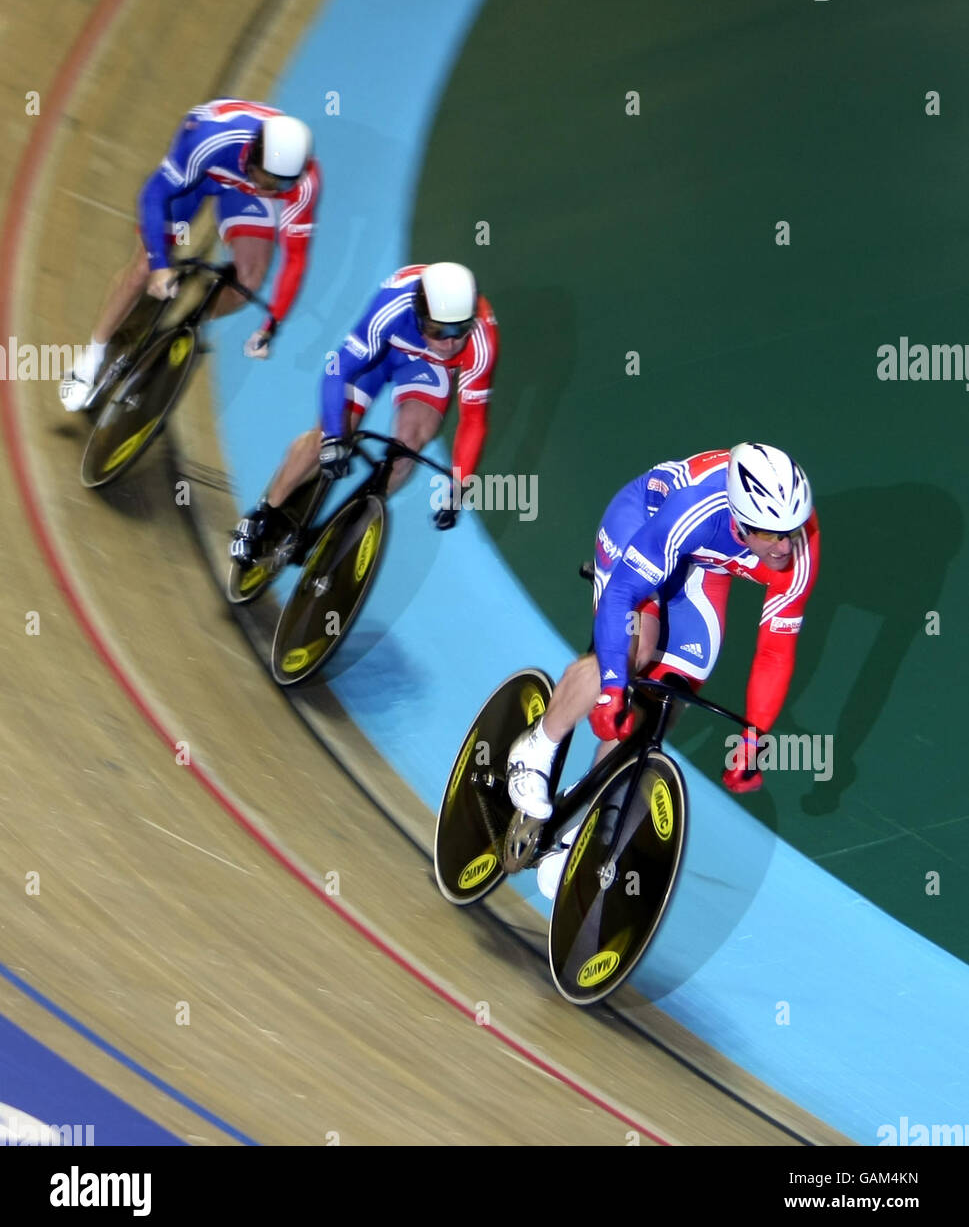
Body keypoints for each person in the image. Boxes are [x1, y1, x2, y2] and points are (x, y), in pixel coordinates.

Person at [506, 442, 821, 828]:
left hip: (703, 564)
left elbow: (775, 653)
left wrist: (754, 740)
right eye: (772, 535)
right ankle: (535, 746)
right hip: (642, 524)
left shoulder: (802, 548)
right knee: (636, 652)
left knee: (669, 698)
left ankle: (586, 834)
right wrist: (611, 689)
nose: (786, 546)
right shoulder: (698, 509)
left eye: (791, 530)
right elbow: (622, 593)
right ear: (740, 520)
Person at [59, 98, 319, 411]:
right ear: (255, 155)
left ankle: (182, 326)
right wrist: (159, 265)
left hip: (242, 188)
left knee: (247, 282)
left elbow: (296, 259)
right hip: (206, 171)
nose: (276, 189)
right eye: (272, 179)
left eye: (284, 183)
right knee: (143, 267)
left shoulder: (300, 181)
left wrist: (270, 326)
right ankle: (91, 357)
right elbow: (154, 194)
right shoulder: (210, 140)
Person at [230, 261, 498, 562]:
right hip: (382, 352)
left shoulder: (482, 337)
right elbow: (338, 371)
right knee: (324, 440)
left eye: (459, 330)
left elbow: (473, 419)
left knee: (407, 453)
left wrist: (458, 488)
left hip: (428, 368)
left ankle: (341, 537)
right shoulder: (393, 306)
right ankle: (263, 514)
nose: (449, 343)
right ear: (420, 314)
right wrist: (333, 439)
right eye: (437, 330)